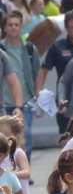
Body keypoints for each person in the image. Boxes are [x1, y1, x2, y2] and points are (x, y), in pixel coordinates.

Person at [0, 12, 38, 157]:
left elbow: (15, 83)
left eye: (17, 25)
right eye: (10, 25)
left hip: (17, 103)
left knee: (23, 135)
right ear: (5, 28)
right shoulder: (3, 48)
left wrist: (18, 106)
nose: (14, 28)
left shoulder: (4, 55)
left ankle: (23, 169)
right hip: (6, 102)